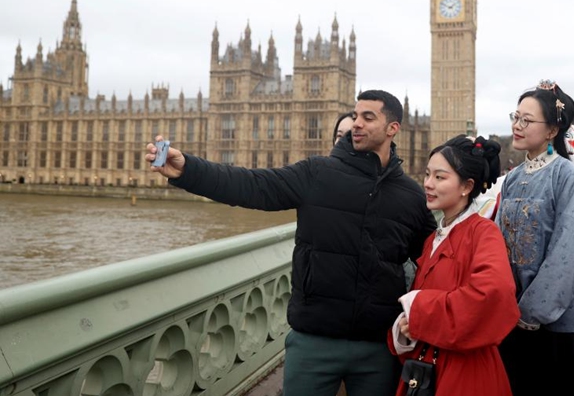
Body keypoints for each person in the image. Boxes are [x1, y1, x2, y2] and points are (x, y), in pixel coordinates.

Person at [146, 89, 436, 396]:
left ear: (393, 128)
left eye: (368, 117)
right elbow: (252, 186)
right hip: (314, 340)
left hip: (379, 345)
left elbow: (435, 260)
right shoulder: (316, 173)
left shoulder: (411, 196)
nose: (357, 124)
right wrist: (189, 170)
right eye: (354, 116)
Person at [496, 80, 574, 396]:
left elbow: (570, 250)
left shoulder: (570, 176)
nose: (517, 126)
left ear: (552, 131)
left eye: (526, 120)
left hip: (561, 319)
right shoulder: (514, 178)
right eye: (515, 117)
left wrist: (534, 311)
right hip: (516, 316)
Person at [390, 135, 520, 396]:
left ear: (466, 186)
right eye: (427, 175)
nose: (427, 184)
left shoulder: (483, 233)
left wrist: (418, 312)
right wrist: (404, 328)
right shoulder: (432, 240)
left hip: (467, 375)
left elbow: (493, 296)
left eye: (440, 177)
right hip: (426, 371)